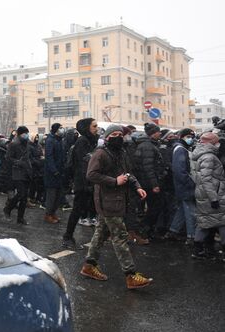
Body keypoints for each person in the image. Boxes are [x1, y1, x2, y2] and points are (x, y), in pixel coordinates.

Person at [80, 124, 153, 289]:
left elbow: (128, 173)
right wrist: (114, 181)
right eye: (115, 134)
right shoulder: (100, 153)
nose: (119, 137)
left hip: (119, 200)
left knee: (100, 234)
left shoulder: (121, 152)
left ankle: (89, 266)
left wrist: (138, 186)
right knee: (120, 237)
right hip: (108, 202)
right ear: (107, 137)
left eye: (121, 134)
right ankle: (131, 275)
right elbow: (91, 175)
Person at [63, 118, 98, 250]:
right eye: (94, 126)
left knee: (84, 209)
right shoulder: (82, 141)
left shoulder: (90, 140)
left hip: (89, 182)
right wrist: (88, 183)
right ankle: (67, 236)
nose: (96, 128)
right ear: (86, 128)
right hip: (83, 183)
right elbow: (83, 165)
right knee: (77, 209)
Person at [192, 132, 225, 261]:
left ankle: (198, 250)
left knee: (205, 222)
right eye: (217, 142)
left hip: (205, 194)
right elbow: (206, 179)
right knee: (221, 222)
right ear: (212, 143)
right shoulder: (209, 157)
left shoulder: (202, 154)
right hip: (213, 195)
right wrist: (214, 198)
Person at [133, 123, 165, 239]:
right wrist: (154, 185)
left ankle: (146, 229)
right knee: (155, 207)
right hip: (148, 182)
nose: (160, 133)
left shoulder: (148, 144)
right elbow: (148, 167)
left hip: (146, 181)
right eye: (158, 131)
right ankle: (144, 229)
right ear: (152, 133)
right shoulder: (147, 146)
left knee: (153, 206)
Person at [168, 128, 197, 243]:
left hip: (182, 186)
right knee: (191, 212)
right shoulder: (180, 149)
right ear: (182, 137)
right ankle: (192, 237)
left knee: (182, 210)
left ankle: (173, 231)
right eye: (188, 137)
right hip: (185, 186)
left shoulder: (183, 148)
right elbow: (180, 171)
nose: (190, 139)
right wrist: (191, 184)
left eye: (191, 137)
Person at [4, 126, 32, 225]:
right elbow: (8, 158)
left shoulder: (28, 143)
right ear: (20, 134)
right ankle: (8, 208)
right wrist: (17, 162)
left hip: (27, 171)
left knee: (24, 197)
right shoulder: (13, 144)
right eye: (25, 133)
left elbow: (29, 156)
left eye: (27, 133)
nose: (26, 135)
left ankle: (20, 218)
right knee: (21, 193)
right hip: (17, 172)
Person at [44, 123, 66, 224]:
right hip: (52, 173)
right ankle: (48, 214)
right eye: (60, 128)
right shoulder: (50, 140)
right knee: (51, 195)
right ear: (56, 129)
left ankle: (53, 213)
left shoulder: (59, 140)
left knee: (58, 195)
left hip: (59, 172)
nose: (62, 129)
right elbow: (49, 157)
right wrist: (54, 170)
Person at [28, 133, 44, 207]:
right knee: (33, 184)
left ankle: (38, 197)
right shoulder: (29, 146)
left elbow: (41, 155)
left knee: (40, 184)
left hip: (40, 167)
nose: (37, 138)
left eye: (37, 137)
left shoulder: (39, 146)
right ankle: (31, 197)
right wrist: (37, 161)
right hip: (33, 167)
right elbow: (30, 158)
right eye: (35, 137)